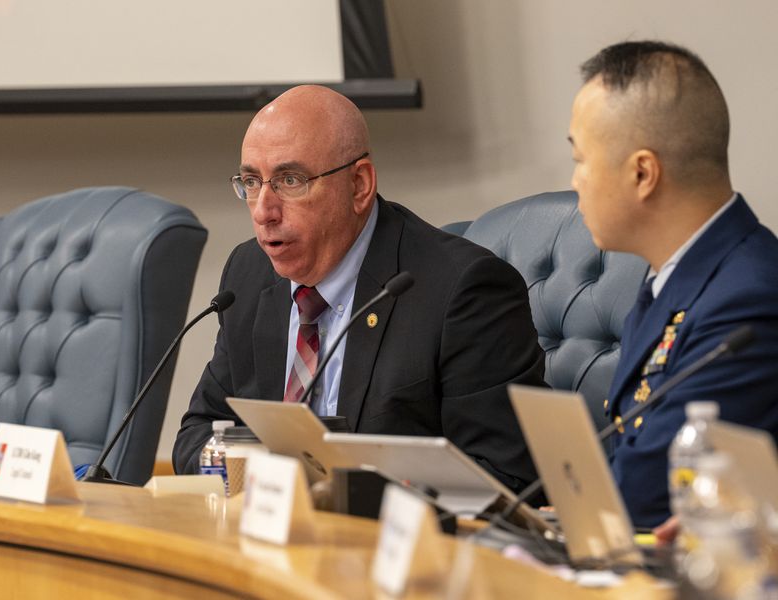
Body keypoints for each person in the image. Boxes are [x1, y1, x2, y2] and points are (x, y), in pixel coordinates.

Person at [173, 85, 547, 493]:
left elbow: (505, 478)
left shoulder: (462, 291)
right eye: (250, 181)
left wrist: (349, 494)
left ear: (359, 185)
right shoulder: (249, 274)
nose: (264, 210)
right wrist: (260, 477)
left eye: (290, 180)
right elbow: (199, 433)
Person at [569, 41, 778, 528]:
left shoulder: (748, 300)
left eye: (581, 159)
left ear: (643, 173)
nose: (575, 181)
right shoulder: (676, 274)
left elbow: (646, 492)